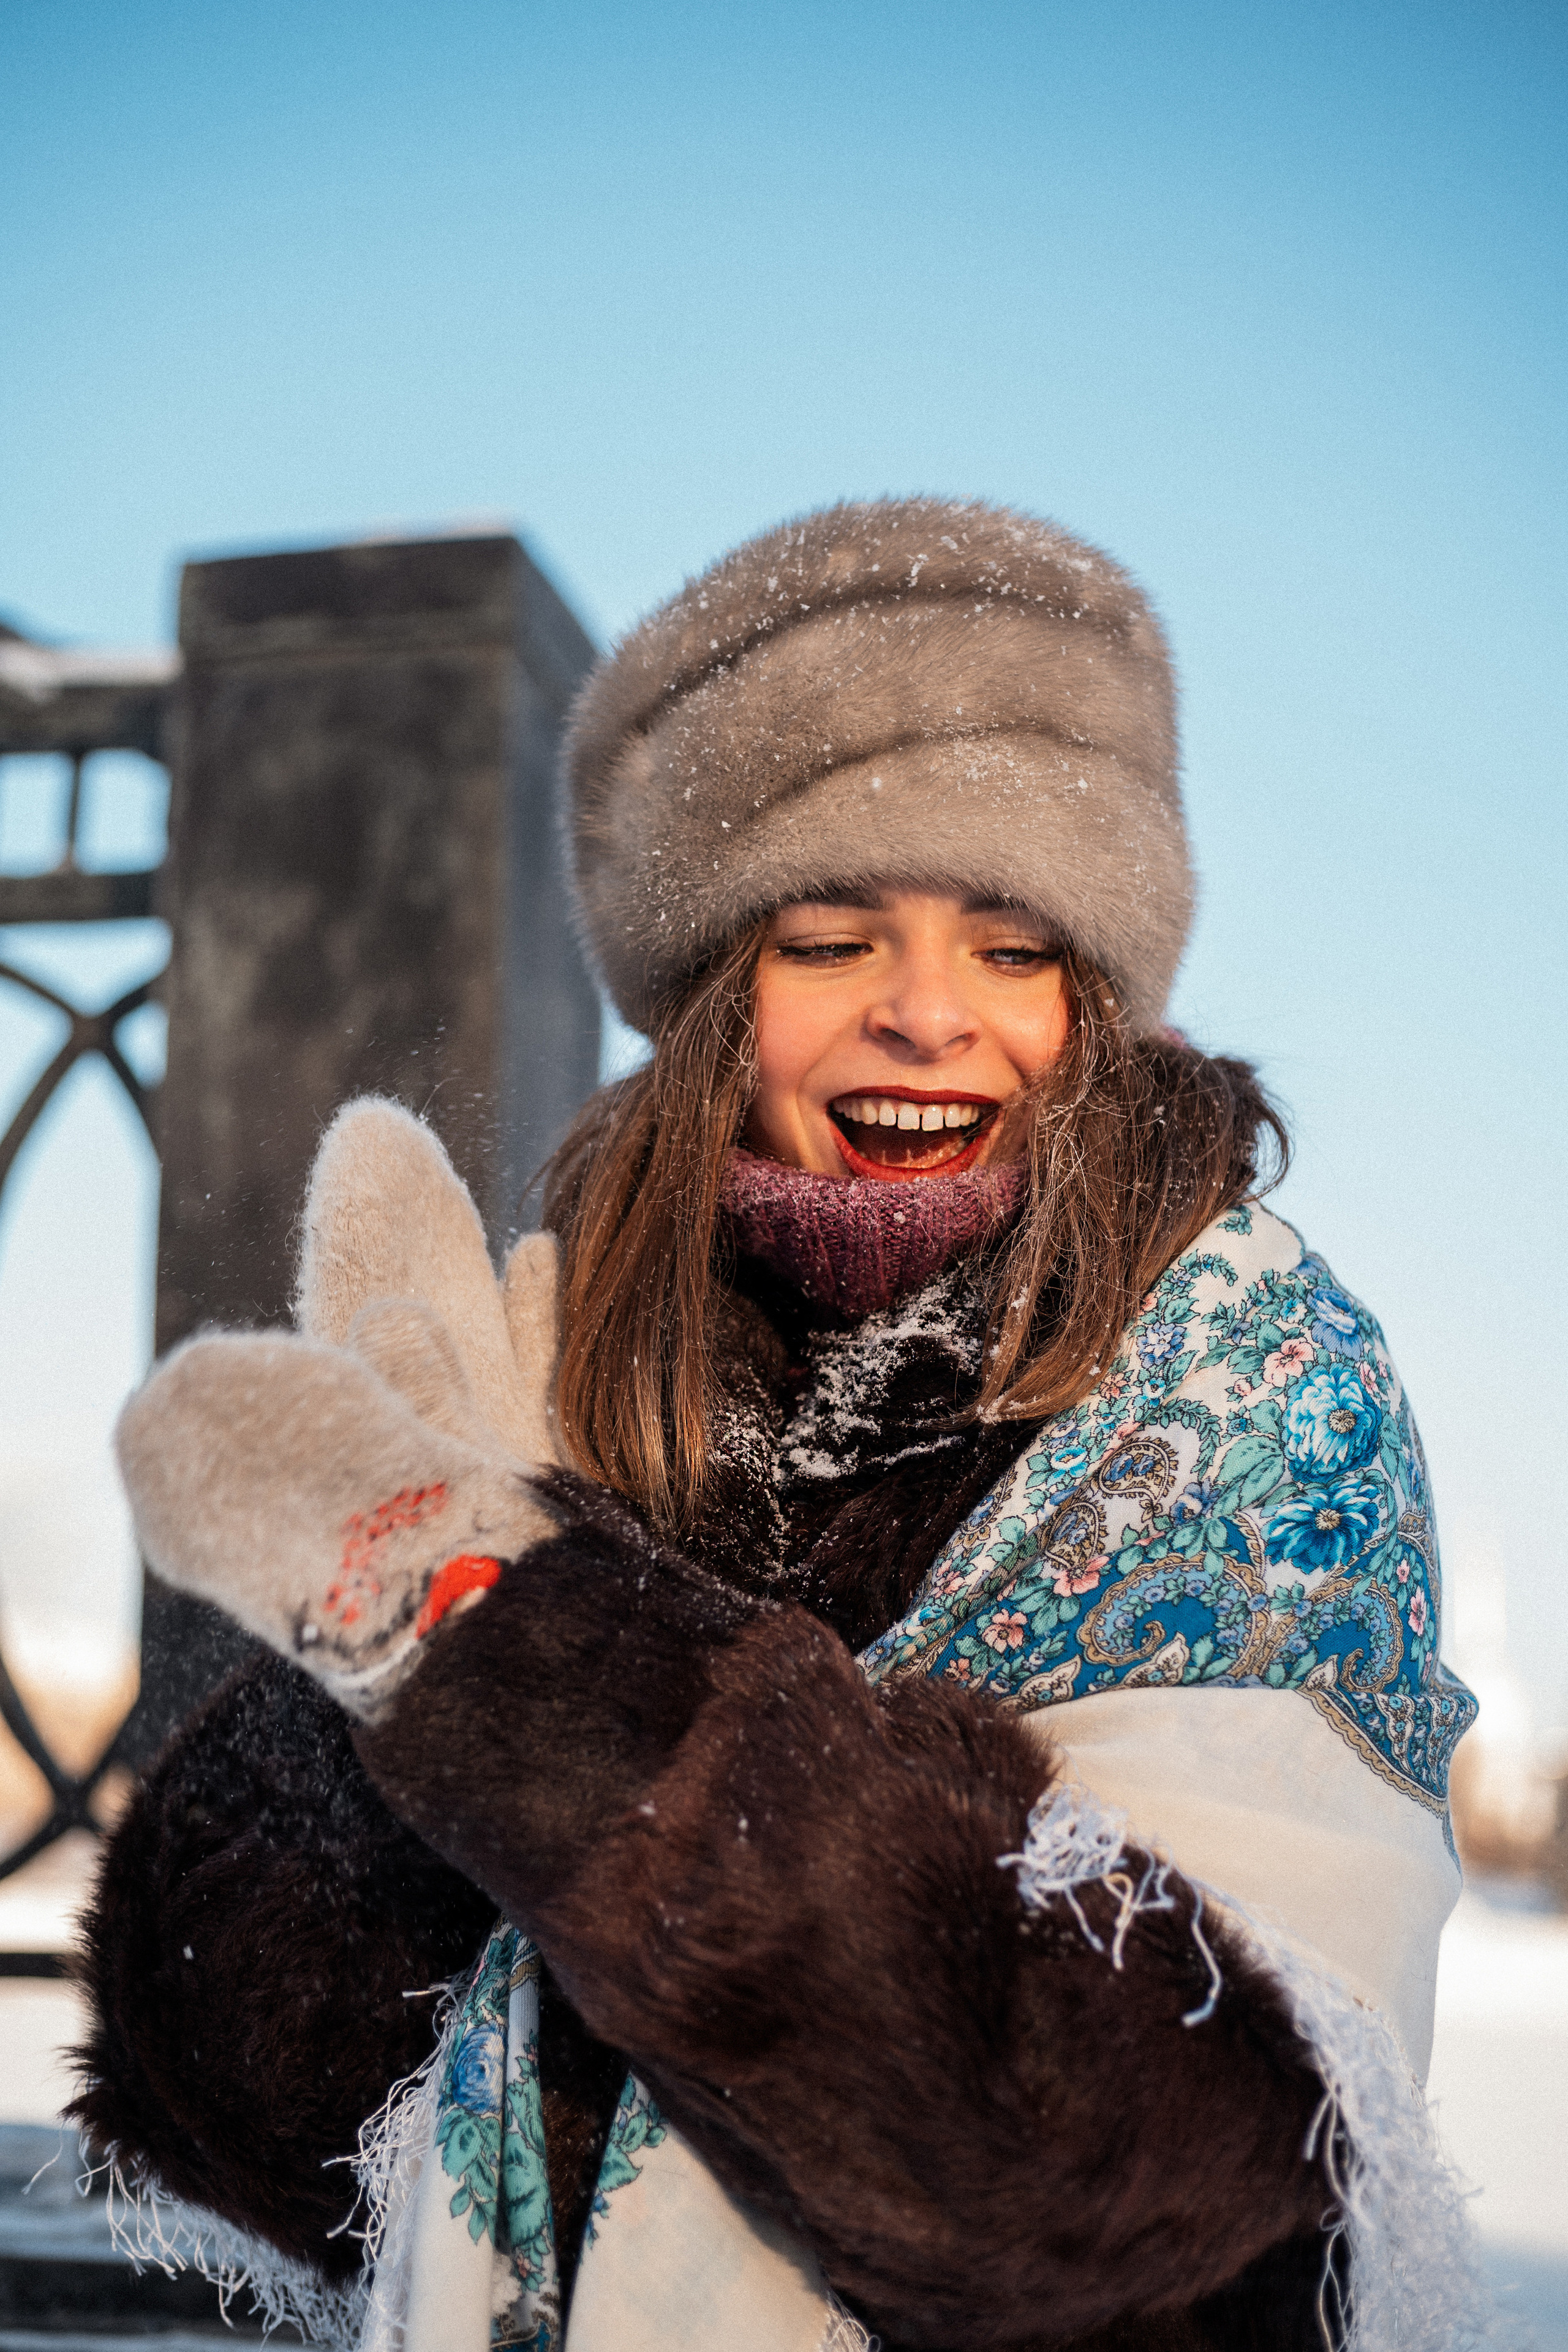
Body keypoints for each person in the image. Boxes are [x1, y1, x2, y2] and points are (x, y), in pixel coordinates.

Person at [73, 499, 1482, 2352]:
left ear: (1101, 991)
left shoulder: (1249, 1395)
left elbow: (1123, 2163)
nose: (922, 1014)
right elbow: (237, 2105)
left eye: (1012, 945)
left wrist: (514, 1641)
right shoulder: (583, 1352)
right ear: (721, 1006)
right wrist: (380, 1707)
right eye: (830, 938)